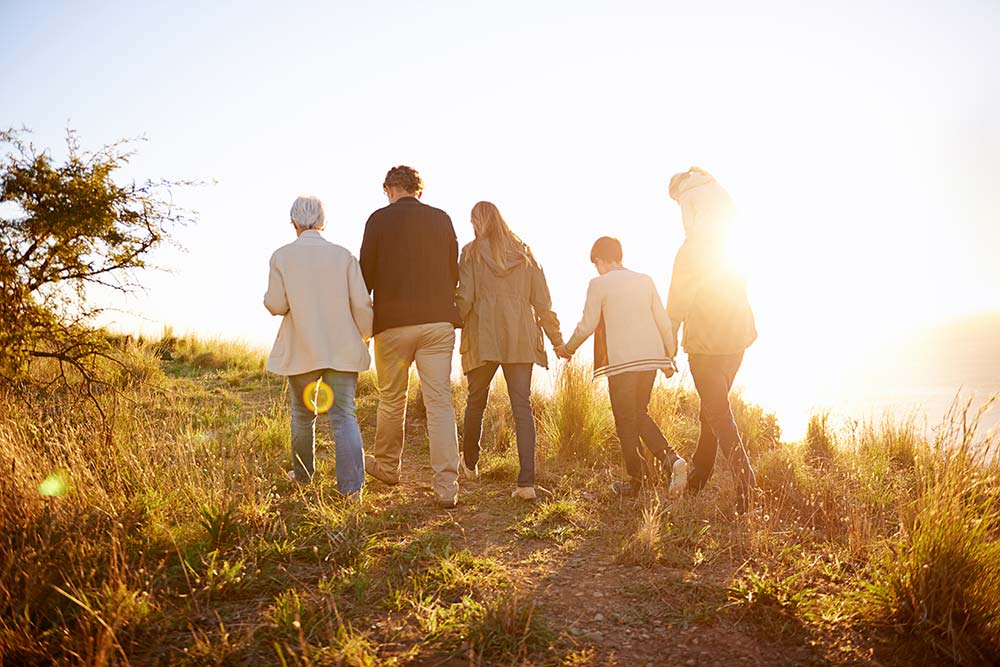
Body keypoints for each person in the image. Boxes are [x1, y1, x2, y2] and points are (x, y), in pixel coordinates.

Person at [359, 166, 462, 508]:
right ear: (419, 191)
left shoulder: (378, 220)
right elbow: (453, 269)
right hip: (437, 323)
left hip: (393, 325)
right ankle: (447, 485)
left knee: (392, 398)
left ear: (388, 189)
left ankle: (388, 467)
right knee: (439, 402)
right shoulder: (441, 218)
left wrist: (363, 326)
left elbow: (365, 278)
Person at [556, 237, 687, 498]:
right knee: (639, 414)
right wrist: (668, 356)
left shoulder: (599, 284)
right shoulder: (645, 280)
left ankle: (640, 482)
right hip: (650, 359)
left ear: (600, 260)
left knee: (625, 423)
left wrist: (568, 348)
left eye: (597, 264)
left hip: (623, 363)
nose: (597, 269)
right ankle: (670, 463)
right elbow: (662, 320)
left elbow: (588, 323)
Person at [264, 195, 372, 497]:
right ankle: (352, 491)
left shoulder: (282, 256)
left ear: (293, 223)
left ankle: (303, 477)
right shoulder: (343, 256)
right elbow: (362, 304)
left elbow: (276, 304)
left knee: (302, 415)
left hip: (302, 349)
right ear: (323, 221)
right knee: (344, 416)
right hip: (342, 350)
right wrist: (365, 336)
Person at [456, 201, 564, 501]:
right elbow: (543, 303)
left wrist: (451, 320)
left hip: (483, 335)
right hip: (520, 337)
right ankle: (526, 483)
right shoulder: (525, 254)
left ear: (478, 222)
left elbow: (464, 297)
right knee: (522, 407)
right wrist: (556, 340)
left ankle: (470, 464)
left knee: (476, 401)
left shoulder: (472, 252)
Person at [666, 166, 758, 512]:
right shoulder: (732, 240)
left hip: (705, 346)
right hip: (737, 339)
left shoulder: (689, 251)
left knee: (718, 413)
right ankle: (699, 476)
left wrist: (668, 345)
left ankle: (748, 486)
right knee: (712, 410)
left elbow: (676, 304)